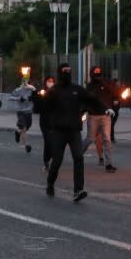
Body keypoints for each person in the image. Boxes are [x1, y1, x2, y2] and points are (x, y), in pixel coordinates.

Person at [44, 63, 113, 201]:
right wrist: (50, 127)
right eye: (65, 71)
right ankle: (50, 184)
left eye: (69, 71)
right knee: (57, 161)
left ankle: (78, 190)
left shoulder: (77, 89)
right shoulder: (54, 91)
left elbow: (93, 99)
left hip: (74, 130)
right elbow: (46, 109)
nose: (67, 73)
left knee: (78, 157)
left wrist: (106, 108)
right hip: (59, 131)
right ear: (59, 73)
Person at [85, 66, 118, 172]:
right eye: (96, 72)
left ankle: (108, 164)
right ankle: (78, 155)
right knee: (90, 138)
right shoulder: (90, 86)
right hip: (93, 115)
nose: (98, 74)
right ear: (91, 73)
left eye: (100, 72)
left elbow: (115, 93)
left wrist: (115, 100)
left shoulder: (106, 83)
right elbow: (91, 98)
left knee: (107, 139)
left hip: (105, 115)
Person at [33, 75, 55, 171]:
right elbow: (37, 106)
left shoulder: (57, 92)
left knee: (54, 142)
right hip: (45, 121)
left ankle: (52, 159)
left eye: (52, 81)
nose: (50, 83)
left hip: (55, 122)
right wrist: (38, 95)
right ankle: (46, 161)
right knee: (48, 141)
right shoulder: (42, 92)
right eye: (48, 81)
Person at [12, 78, 35, 153]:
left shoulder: (32, 90)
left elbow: (37, 96)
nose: (26, 84)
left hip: (29, 112)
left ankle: (18, 132)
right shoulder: (18, 90)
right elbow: (11, 97)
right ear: (22, 82)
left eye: (27, 82)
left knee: (28, 126)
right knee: (24, 129)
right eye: (24, 82)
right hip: (21, 112)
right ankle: (26, 145)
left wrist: (34, 97)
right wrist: (19, 98)